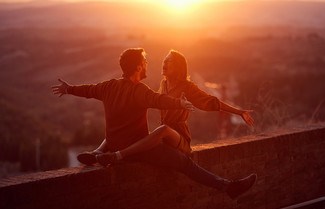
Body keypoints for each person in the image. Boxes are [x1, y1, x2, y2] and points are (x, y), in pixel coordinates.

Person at [52, 48, 256, 199]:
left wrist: (69, 89)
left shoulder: (108, 86)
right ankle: (229, 187)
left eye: (167, 61)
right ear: (139, 67)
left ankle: (98, 153)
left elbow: (89, 90)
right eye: (145, 62)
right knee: (185, 163)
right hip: (138, 148)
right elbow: (158, 100)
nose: (151, 64)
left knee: (118, 134)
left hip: (121, 142)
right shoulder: (141, 90)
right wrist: (179, 102)